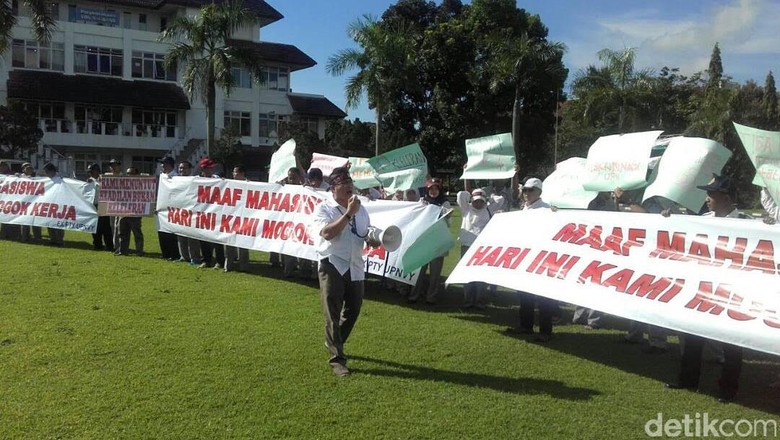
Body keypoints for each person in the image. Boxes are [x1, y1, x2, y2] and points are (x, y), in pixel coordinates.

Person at [664, 174, 749, 403]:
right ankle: (688, 380)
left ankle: (727, 390)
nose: (707, 198)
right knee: (693, 335)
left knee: (731, 343)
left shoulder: (747, 222)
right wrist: (669, 221)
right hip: (705, 287)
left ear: (726, 197)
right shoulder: (705, 219)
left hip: (733, 290)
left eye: (711, 194)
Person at [309, 167, 378, 377]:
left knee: (354, 309)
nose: (349, 187)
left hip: (355, 265)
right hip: (333, 263)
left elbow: (364, 232)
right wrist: (348, 214)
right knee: (332, 312)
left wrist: (372, 240)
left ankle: (334, 341)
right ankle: (337, 360)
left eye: (350, 183)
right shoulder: (324, 209)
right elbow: (328, 233)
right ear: (333, 189)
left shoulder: (361, 209)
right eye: (343, 184)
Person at [508, 178, 556, 342]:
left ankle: (545, 331)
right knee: (524, 294)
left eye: (531, 190)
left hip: (541, 258)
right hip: (525, 256)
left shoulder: (546, 210)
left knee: (543, 297)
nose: (526, 193)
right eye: (525, 190)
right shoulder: (525, 208)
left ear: (539, 192)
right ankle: (526, 326)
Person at [408, 178, 451, 304]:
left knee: (435, 273)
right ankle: (414, 295)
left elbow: (448, 222)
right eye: (431, 189)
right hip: (423, 240)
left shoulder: (445, 203)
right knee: (419, 270)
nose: (433, 191)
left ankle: (431, 297)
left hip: (438, 241)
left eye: (435, 188)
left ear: (439, 189)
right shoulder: (422, 201)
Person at [456, 187, 498, 309]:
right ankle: (468, 299)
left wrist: (487, 197)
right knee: (467, 274)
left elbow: (499, 199)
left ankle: (480, 300)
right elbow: (461, 194)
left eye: (480, 201)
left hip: (483, 248)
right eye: (475, 200)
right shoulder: (466, 209)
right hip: (467, 246)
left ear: (485, 201)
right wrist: (467, 180)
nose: (478, 203)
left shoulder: (488, 209)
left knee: (481, 274)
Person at [272, 167, 304, 276]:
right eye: (290, 178)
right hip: (286, 222)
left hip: (300, 223)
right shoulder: (283, 188)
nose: (291, 180)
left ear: (299, 178)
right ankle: (288, 270)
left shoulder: (304, 190)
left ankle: (301, 270)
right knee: (288, 247)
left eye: (293, 178)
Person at [197, 158, 225, 269]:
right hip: (202, 213)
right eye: (208, 168)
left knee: (217, 239)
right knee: (203, 238)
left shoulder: (217, 179)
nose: (210, 170)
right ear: (203, 169)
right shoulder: (197, 180)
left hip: (215, 213)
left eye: (211, 168)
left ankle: (219, 261)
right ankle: (206, 260)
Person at [175, 161, 202, 265]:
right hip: (179, 211)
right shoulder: (175, 181)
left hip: (192, 212)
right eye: (180, 168)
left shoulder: (195, 180)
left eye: (184, 168)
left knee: (192, 237)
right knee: (180, 235)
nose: (182, 170)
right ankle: (184, 256)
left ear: (190, 169)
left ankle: (195, 257)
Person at [224, 165, 251, 273]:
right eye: (233, 172)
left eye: (236, 172)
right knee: (229, 241)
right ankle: (229, 265)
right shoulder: (228, 183)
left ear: (242, 174)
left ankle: (243, 266)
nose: (234, 174)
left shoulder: (250, 184)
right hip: (231, 217)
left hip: (244, 218)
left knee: (243, 243)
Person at [115, 167, 144, 256]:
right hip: (123, 212)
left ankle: (139, 251)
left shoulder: (141, 185)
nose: (129, 175)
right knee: (122, 233)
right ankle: (122, 251)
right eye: (127, 173)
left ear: (136, 175)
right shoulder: (122, 185)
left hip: (135, 213)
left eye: (131, 174)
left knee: (137, 233)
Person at [157, 157, 180, 261]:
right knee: (161, 231)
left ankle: (174, 254)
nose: (162, 166)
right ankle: (165, 253)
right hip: (161, 208)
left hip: (172, 209)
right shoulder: (162, 176)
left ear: (169, 164)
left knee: (171, 233)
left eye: (164, 164)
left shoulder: (176, 177)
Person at [87, 163, 113, 251]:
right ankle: (97, 244)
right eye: (90, 172)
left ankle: (109, 245)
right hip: (92, 205)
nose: (90, 173)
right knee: (94, 226)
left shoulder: (103, 180)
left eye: (92, 171)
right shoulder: (88, 181)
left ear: (97, 171)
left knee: (106, 227)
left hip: (102, 204)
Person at [19, 163, 43, 243]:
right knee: (25, 222)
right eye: (27, 168)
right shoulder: (19, 178)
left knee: (36, 221)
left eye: (30, 168)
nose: (29, 170)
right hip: (24, 203)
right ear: (23, 170)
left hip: (35, 203)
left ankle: (38, 238)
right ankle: (25, 238)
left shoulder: (37, 178)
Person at [42, 163, 65, 246]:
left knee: (58, 223)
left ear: (52, 171)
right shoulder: (48, 180)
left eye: (47, 172)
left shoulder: (60, 180)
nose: (46, 174)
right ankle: (53, 239)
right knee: (50, 223)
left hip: (58, 204)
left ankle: (59, 240)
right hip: (49, 204)